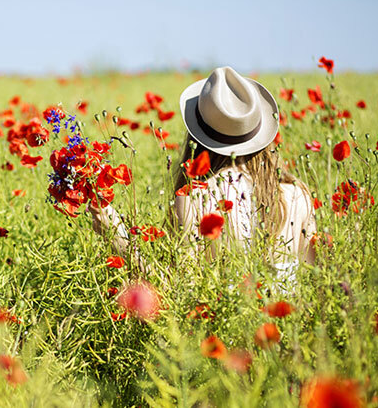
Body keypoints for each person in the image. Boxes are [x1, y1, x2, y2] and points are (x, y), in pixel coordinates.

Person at [90, 66, 317, 289]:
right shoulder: (299, 194)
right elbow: (315, 281)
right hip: (287, 324)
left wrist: (117, 236)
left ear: (197, 135)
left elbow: (175, 292)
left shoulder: (195, 198)